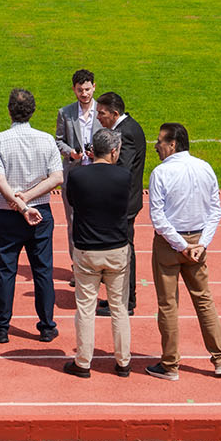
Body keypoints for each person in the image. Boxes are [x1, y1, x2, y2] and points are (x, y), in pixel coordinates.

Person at [146, 122, 221, 380]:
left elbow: (158, 218)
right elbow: (215, 210)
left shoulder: (160, 173)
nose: (156, 146)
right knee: (204, 300)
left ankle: (170, 365)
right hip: (196, 244)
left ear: (172, 144)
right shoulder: (205, 167)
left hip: (170, 245)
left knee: (168, 305)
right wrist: (201, 244)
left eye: (160, 141)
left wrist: (182, 246)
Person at [0, 88, 64, 343]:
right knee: (42, 271)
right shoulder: (46, 139)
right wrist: (28, 201)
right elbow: (57, 178)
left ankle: (1, 327)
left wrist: (20, 202)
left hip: (9, 214)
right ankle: (47, 326)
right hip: (40, 213)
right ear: (33, 111)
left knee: (6, 270)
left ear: (9, 111)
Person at [62, 127, 134, 378]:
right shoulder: (124, 176)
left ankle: (83, 362)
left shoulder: (79, 176)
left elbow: (72, 201)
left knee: (85, 307)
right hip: (116, 249)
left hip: (86, 249)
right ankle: (123, 362)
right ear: (114, 151)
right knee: (119, 308)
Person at [95, 91, 148, 315]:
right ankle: (120, 298)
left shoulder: (125, 132)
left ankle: (126, 302)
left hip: (123, 204)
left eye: (102, 113)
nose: (98, 118)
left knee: (124, 252)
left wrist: (99, 163)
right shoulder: (125, 129)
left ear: (115, 113)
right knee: (120, 251)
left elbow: (122, 170)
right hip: (125, 202)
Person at [56, 69, 100, 240]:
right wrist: (71, 153)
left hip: (97, 173)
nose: (84, 94)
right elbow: (58, 141)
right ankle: (76, 262)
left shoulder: (103, 111)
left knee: (97, 219)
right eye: (80, 90)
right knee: (73, 220)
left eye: (87, 89)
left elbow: (113, 139)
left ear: (94, 87)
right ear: (74, 89)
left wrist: (98, 153)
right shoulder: (65, 113)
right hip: (73, 174)